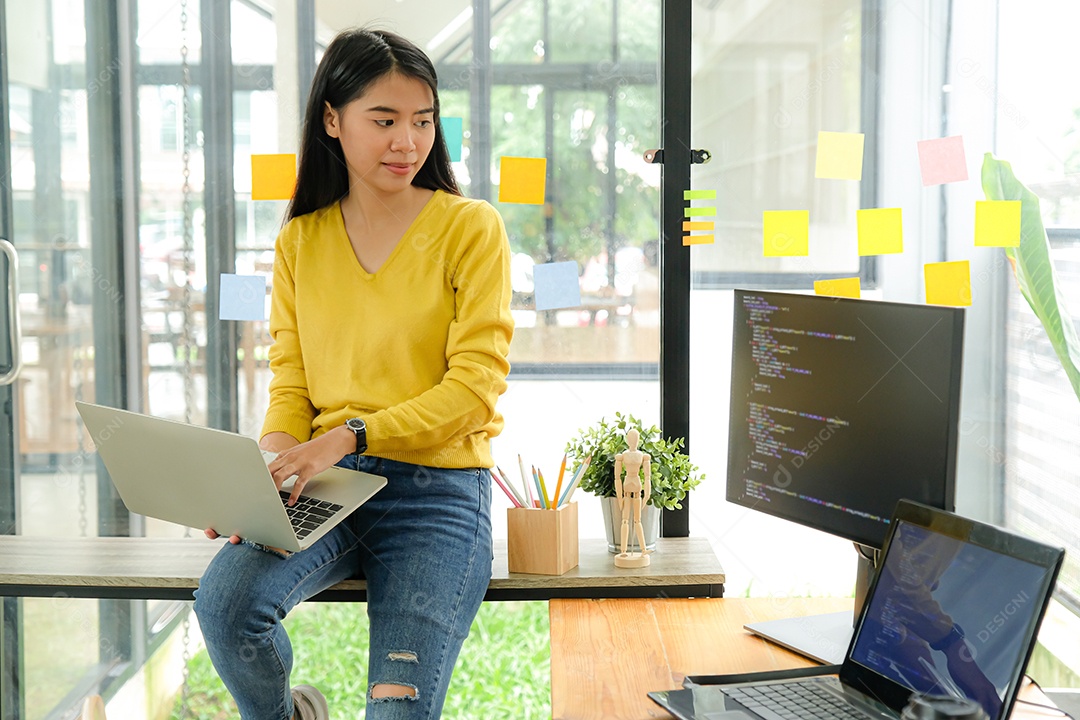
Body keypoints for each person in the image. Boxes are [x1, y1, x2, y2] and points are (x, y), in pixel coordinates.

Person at [193, 28, 514, 720]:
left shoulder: (471, 228)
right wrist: (267, 476)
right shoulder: (300, 241)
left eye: (422, 121)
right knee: (225, 606)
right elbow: (292, 385)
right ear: (333, 120)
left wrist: (349, 436)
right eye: (385, 120)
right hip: (325, 483)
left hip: (438, 490)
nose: (408, 142)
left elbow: (474, 389)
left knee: (396, 708)